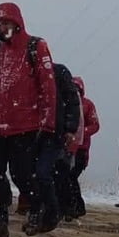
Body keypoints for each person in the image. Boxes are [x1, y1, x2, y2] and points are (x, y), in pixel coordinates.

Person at [0, 3, 59, 237]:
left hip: (25, 125)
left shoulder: (36, 46)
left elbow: (47, 85)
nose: (1, 27)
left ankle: (36, 209)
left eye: (5, 22)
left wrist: (47, 121)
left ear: (16, 22)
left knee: (22, 173)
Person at [51, 63, 84, 222]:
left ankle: (71, 207)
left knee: (67, 178)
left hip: (75, 148)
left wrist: (75, 140)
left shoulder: (83, 105)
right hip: (62, 143)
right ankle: (66, 207)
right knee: (62, 177)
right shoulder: (63, 101)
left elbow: (86, 126)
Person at [68, 77, 99, 218]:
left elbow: (95, 125)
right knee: (65, 177)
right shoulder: (66, 103)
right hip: (67, 148)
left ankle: (77, 206)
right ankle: (70, 205)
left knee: (71, 177)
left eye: (77, 88)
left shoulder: (87, 105)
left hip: (81, 150)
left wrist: (81, 132)